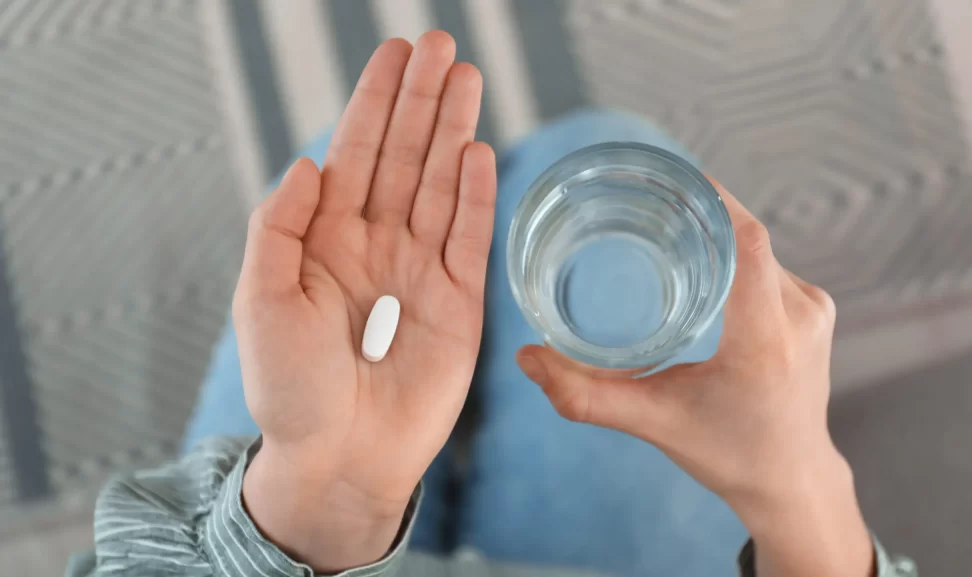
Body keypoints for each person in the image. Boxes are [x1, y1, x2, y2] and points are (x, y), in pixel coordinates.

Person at [67, 31, 916, 577]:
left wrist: (327, 492)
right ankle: (515, 196)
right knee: (595, 151)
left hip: (300, 537)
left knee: (341, 188)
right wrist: (799, 486)